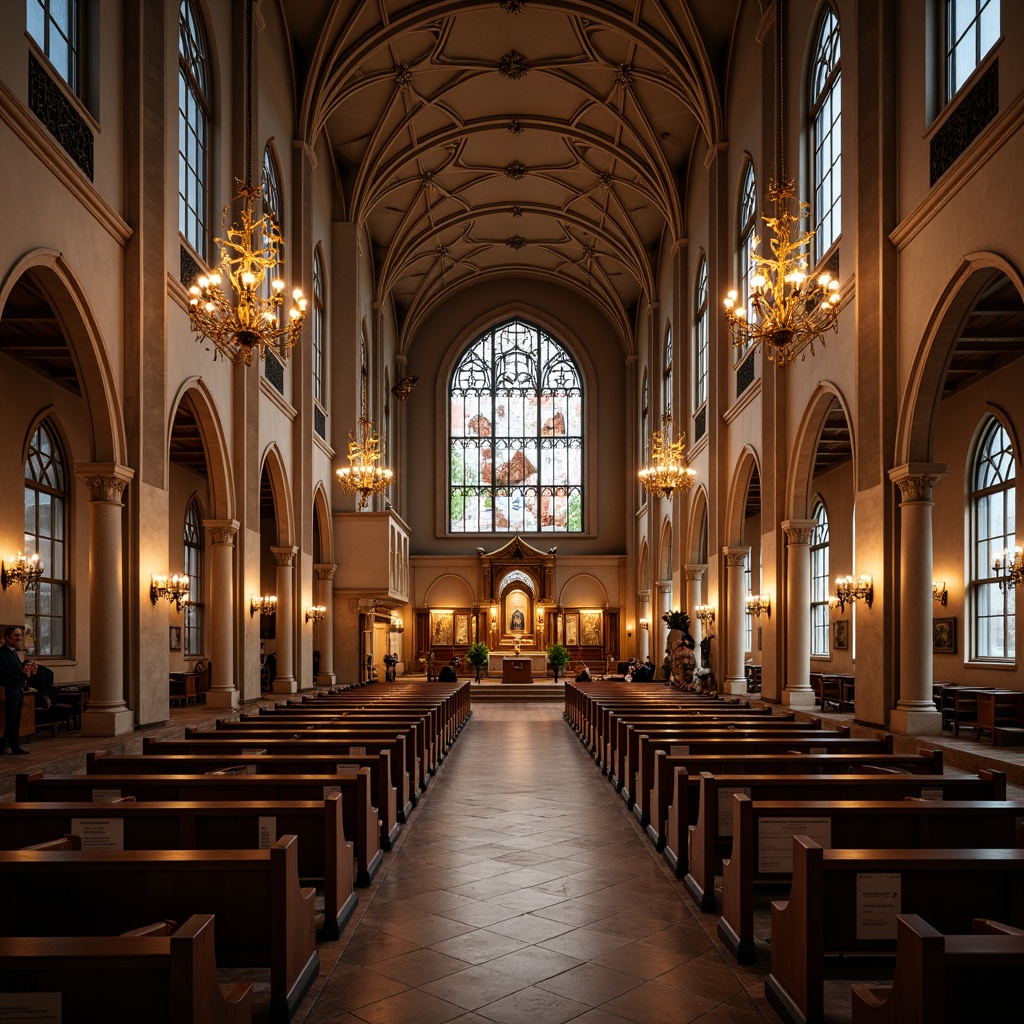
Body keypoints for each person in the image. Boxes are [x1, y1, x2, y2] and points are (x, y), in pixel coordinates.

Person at [0, 625, 36, 754]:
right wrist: (21, 673)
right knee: (9, 720)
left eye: (20, 635)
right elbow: (4, 673)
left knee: (15, 720)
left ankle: (14, 746)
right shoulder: (2, 653)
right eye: (16, 636)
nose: (19, 638)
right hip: (10, 690)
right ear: (7, 637)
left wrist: (26, 667)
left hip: (18, 689)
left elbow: (16, 669)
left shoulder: (13, 652)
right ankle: (6, 746)